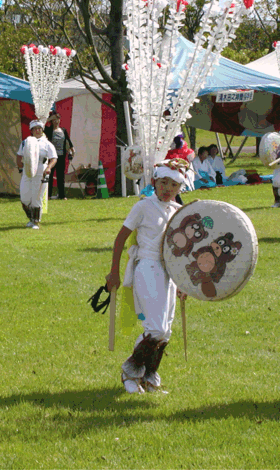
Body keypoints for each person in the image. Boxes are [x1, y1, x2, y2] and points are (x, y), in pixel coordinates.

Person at [105, 158, 189, 393]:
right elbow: (121, 238)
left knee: (166, 330)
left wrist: (184, 282)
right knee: (156, 328)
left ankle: (149, 375)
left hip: (169, 271)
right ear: (154, 182)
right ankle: (130, 370)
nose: (167, 189)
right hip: (147, 266)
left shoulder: (178, 211)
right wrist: (114, 271)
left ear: (180, 188)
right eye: (163, 183)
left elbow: (182, 250)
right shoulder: (143, 207)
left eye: (173, 185)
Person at [16, 120, 57, 229]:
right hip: (28, 171)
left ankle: (35, 222)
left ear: (42, 130)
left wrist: (48, 167)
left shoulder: (47, 143)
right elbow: (19, 155)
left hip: (41, 172)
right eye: (35, 129)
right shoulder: (25, 142)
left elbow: (54, 158)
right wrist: (20, 168)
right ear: (31, 131)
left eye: (39, 128)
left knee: (36, 197)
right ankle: (31, 218)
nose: (37, 130)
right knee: (24, 197)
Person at [44, 112, 74, 200]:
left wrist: (72, 149)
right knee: (49, 175)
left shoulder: (63, 130)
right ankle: (48, 195)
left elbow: (68, 140)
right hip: (51, 157)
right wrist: (49, 119)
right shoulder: (49, 130)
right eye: (54, 120)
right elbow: (40, 125)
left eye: (57, 119)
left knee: (61, 176)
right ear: (51, 121)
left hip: (61, 156)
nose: (56, 121)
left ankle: (62, 195)